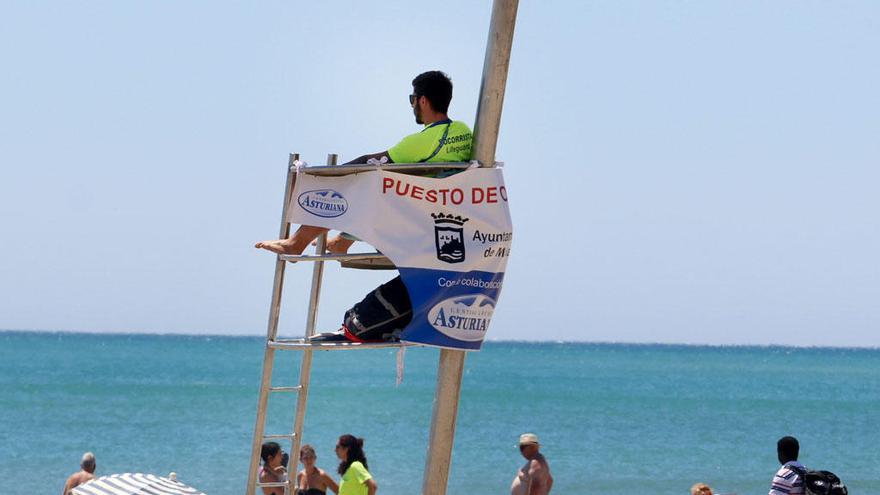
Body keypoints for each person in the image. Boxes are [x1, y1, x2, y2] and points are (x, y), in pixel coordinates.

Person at [255, 70, 473, 257]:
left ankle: (296, 244)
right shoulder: (463, 131)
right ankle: (341, 241)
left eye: (412, 99)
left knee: (351, 188)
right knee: (380, 190)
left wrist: (322, 175)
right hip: (447, 210)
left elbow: (368, 162)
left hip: (416, 219)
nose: (412, 104)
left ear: (422, 101)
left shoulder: (419, 142)